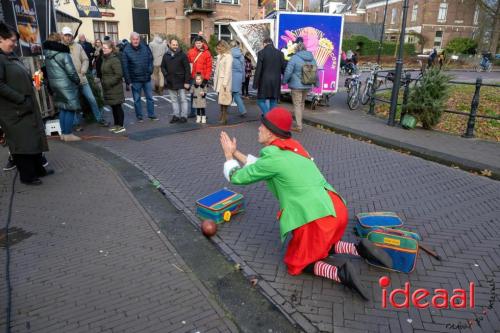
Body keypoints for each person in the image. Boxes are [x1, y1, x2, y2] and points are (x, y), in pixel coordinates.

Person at [219, 107, 393, 301]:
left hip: (314, 218)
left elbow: (237, 177)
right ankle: (357, 249)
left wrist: (228, 155)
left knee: (296, 263)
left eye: (262, 125)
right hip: (335, 209)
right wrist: (236, 154)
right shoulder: (294, 148)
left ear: (270, 132)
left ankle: (340, 273)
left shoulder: (273, 159)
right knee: (322, 244)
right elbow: (261, 166)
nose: (258, 128)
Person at [0, 22, 52, 185]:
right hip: (14, 110)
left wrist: (33, 80)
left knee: (32, 139)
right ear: (1, 39)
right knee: (22, 143)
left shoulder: (10, 56)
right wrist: (20, 98)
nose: (15, 44)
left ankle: (38, 169)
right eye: (12, 40)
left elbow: (16, 78)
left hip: (25, 106)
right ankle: (27, 176)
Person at [61, 27, 109, 127]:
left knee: (91, 99)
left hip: (82, 79)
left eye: (69, 35)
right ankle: (76, 124)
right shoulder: (60, 48)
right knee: (75, 103)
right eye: (66, 35)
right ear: (62, 36)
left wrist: (83, 70)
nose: (68, 37)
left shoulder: (78, 46)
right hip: (70, 81)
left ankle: (99, 119)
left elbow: (85, 60)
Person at [43, 33, 82, 142]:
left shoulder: (47, 54)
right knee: (70, 108)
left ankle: (64, 134)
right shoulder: (63, 54)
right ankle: (68, 134)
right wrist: (77, 81)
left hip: (55, 84)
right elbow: (71, 71)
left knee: (62, 108)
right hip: (66, 85)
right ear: (58, 41)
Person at [122, 32, 157, 122]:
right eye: (134, 39)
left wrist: (150, 70)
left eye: (137, 39)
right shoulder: (126, 50)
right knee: (137, 99)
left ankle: (151, 115)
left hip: (146, 78)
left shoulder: (145, 47)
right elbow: (125, 67)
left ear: (139, 39)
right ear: (131, 40)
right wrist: (128, 81)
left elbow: (150, 59)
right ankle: (139, 116)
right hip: (135, 80)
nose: (136, 41)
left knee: (150, 98)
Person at [283, 42, 318, 133]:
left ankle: (299, 126)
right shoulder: (312, 58)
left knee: (297, 104)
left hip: (296, 85)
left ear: (297, 49)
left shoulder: (294, 58)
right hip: (307, 84)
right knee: (301, 103)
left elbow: (288, 71)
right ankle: (300, 122)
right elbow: (315, 72)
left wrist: (284, 81)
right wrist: (316, 84)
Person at [161, 38, 190, 124]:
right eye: (173, 45)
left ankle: (184, 116)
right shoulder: (166, 55)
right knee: (174, 100)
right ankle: (176, 116)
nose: (175, 46)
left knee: (183, 99)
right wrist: (166, 75)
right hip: (171, 81)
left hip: (181, 81)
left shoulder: (182, 55)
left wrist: (187, 82)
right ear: (169, 45)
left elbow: (187, 69)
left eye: (176, 45)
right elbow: (162, 67)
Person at [253, 37, 285, 114]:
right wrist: (285, 80)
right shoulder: (280, 53)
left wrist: (255, 84)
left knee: (260, 101)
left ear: (264, 43)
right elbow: (283, 68)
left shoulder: (261, 53)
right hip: (276, 81)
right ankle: (271, 121)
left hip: (264, 80)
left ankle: (268, 116)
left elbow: (258, 70)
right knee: (273, 100)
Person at [100, 41, 126, 134]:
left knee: (117, 107)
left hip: (114, 87)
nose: (103, 49)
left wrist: (108, 83)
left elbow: (119, 74)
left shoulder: (114, 60)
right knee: (114, 107)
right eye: (103, 48)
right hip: (108, 88)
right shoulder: (105, 59)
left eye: (105, 48)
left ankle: (121, 126)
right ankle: (116, 125)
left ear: (111, 49)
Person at [187, 36, 213, 118]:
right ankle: (192, 112)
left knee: (201, 95)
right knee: (193, 95)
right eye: (197, 43)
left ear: (202, 43)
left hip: (202, 77)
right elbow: (187, 65)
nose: (198, 44)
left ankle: (202, 113)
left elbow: (209, 67)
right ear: (194, 43)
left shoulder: (207, 53)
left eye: (199, 43)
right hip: (193, 77)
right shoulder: (190, 52)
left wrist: (206, 79)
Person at [214, 40, 233, 125]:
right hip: (219, 81)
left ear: (224, 47)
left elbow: (228, 71)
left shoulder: (228, 56)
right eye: (218, 46)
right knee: (220, 100)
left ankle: (224, 117)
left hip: (224, 82)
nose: (218, 48)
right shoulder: (219, 56)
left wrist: (225, 83)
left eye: (220, 46)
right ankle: (222, 116)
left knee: (224, 100)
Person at [229, 40, 247, 117]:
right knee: (235, 93)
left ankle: (242, 110)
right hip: (239, 76)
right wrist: (243, 78)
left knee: (231, 94)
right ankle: (242, 110)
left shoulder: (228, 54)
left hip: (230, 76)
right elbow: (243, 67)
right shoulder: (241, 55)